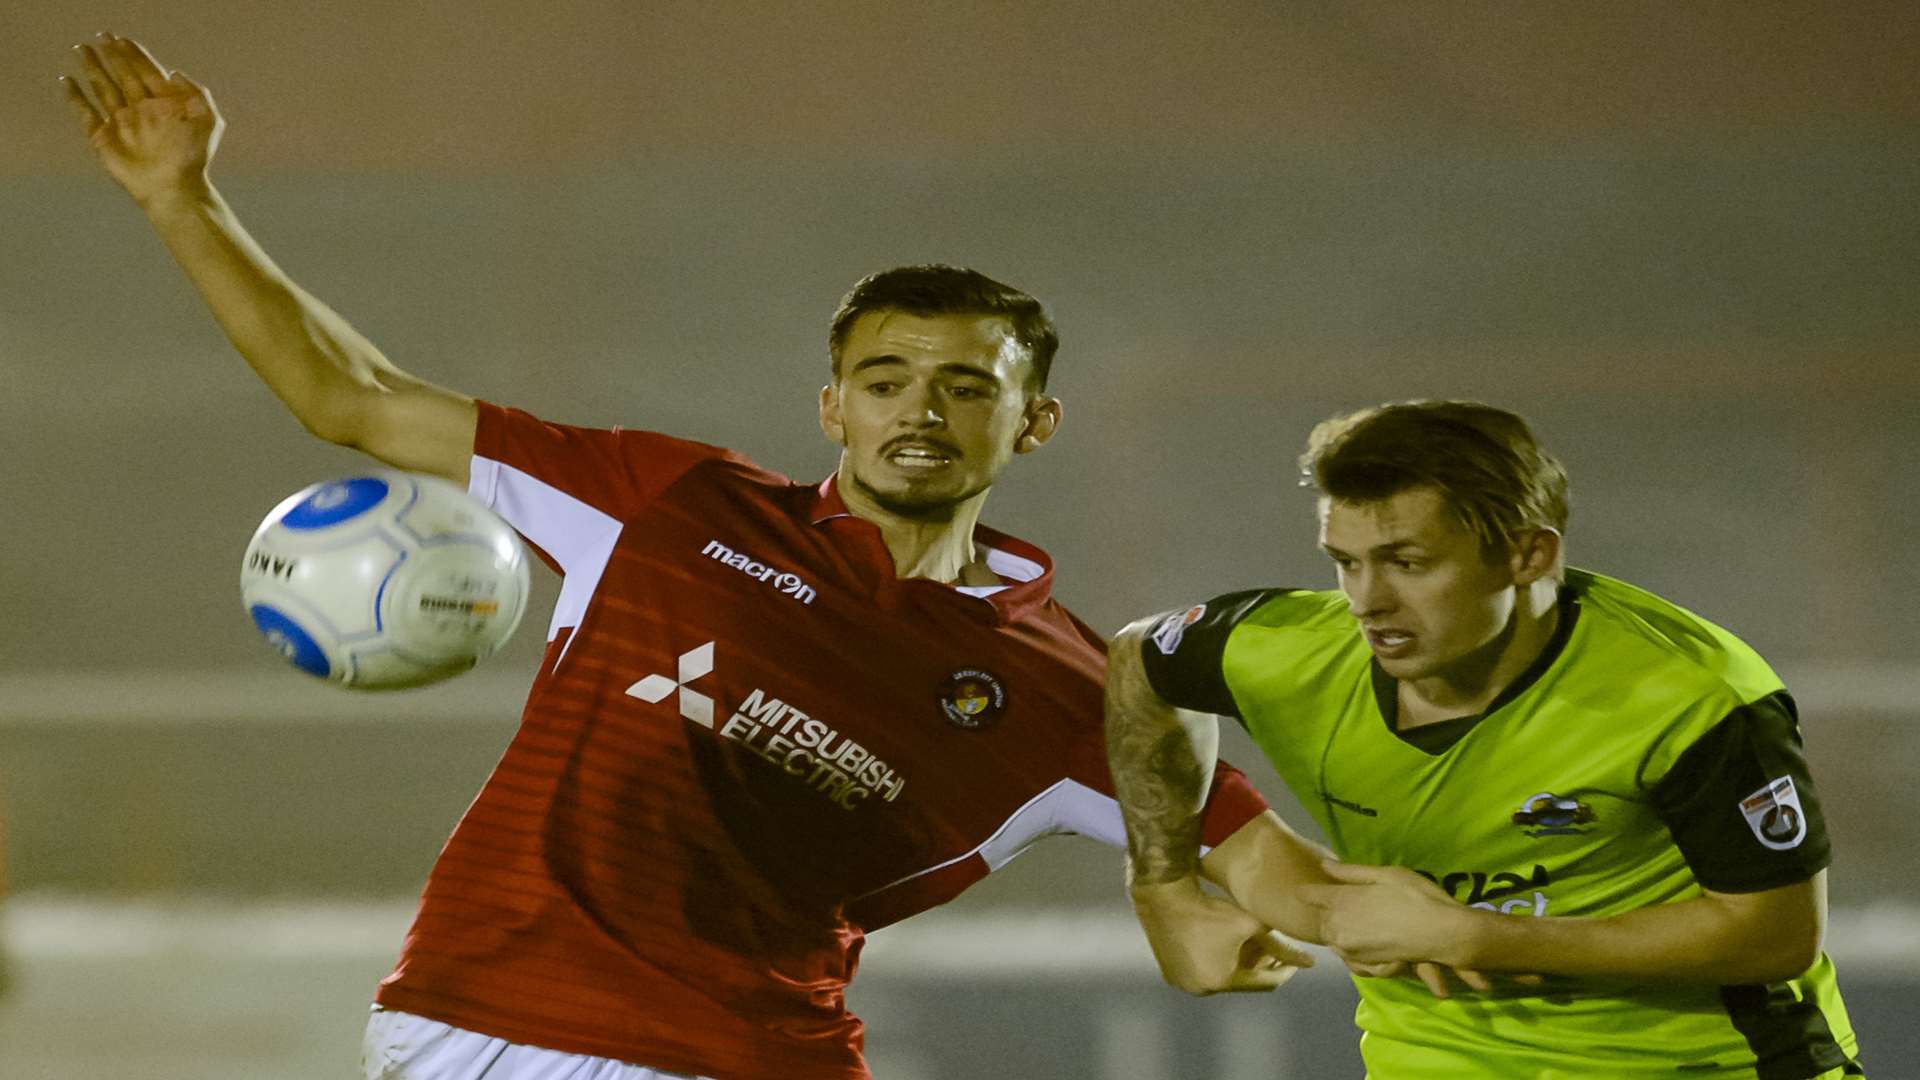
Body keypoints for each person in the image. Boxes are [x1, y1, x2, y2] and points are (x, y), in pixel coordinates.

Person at [63, 33, 1313, 1080]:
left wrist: (1465, 920)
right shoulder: (673, 501)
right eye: (884, 382)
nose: (918, 411)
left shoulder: (1069, 688)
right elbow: (357, 399)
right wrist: (185, 197)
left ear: (1031, 422)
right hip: (509, 1030)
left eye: (962, 387)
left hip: (771, 1055)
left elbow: (1282, 875)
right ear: (834, 409)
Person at [1104, 400, 1865, 1078]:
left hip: (1706, 1063)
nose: (1368, 601)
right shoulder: (1290, 653)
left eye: (1408, 563)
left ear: (1529, 554)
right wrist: (1163, 887)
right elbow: (1136, 660)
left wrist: (1476, 936)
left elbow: (1775, 935)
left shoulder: (1688, 694)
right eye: (1346, 563)